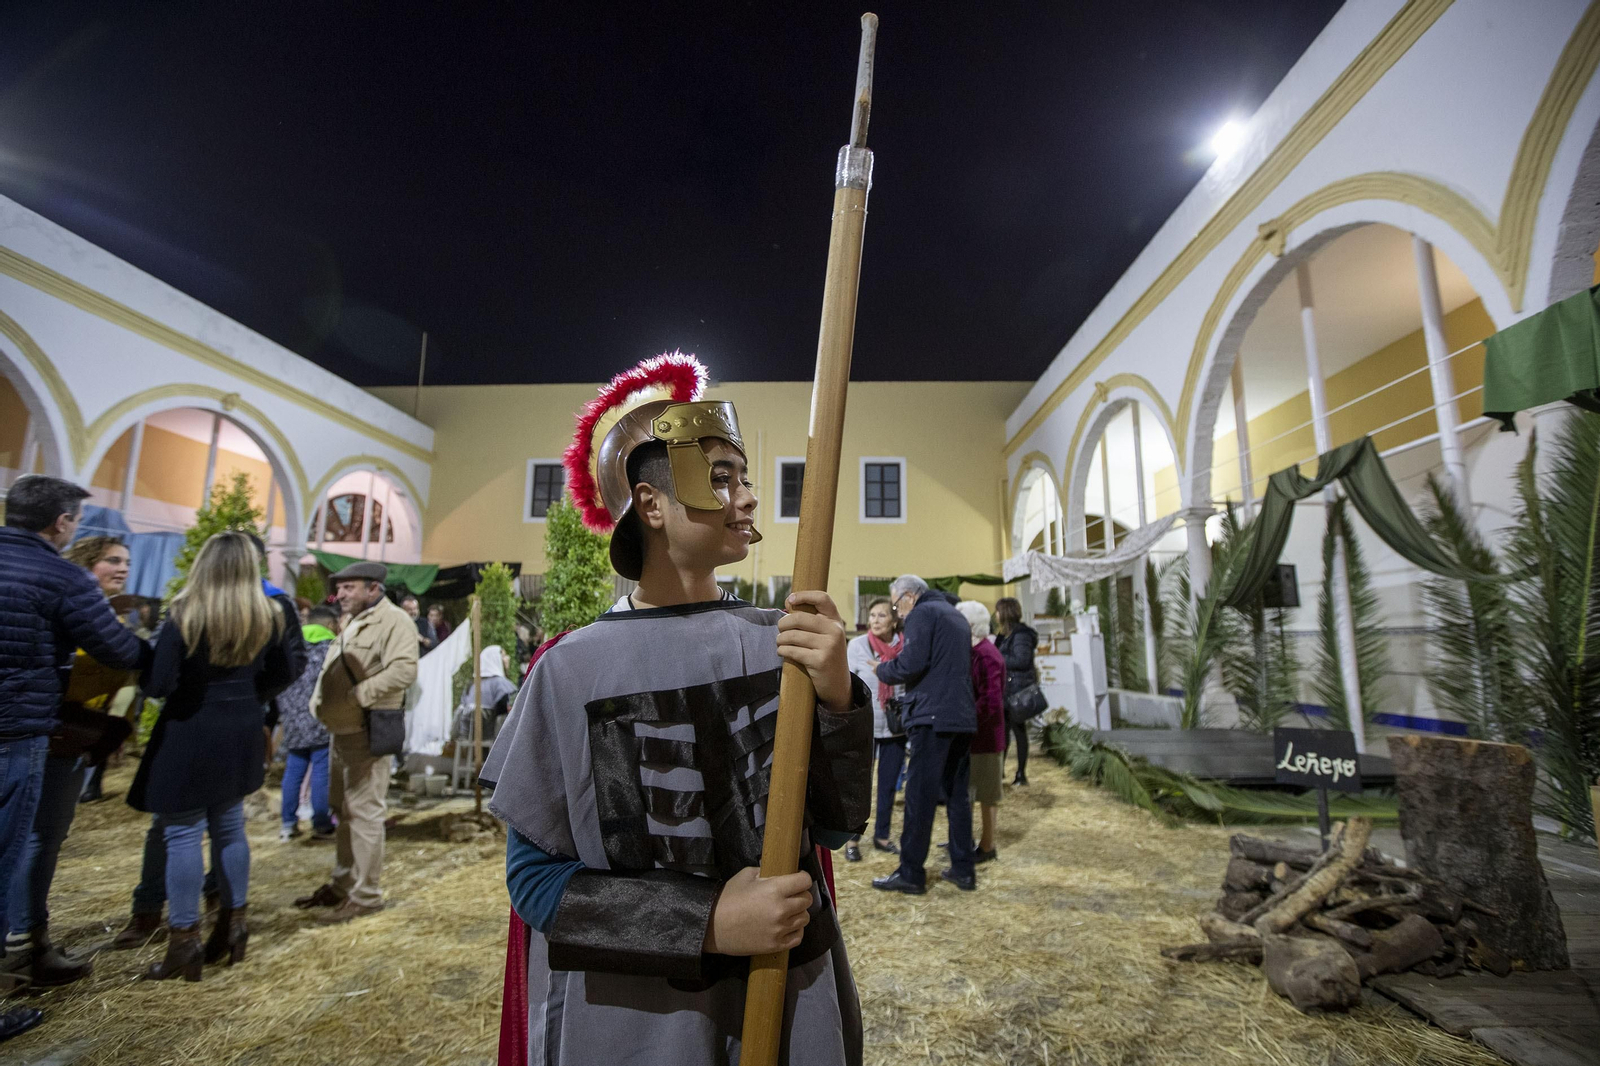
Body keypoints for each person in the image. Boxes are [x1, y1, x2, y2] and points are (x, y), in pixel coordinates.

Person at [482, 352, 872, 1066]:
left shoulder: (780, 643)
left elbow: (839, 821)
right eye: (719, 478)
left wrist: (839, 695)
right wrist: (712, 921)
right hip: (643, 1023)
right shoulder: (570, 669)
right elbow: (535, 882)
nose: (747, 497)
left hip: (787, 997)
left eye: (744, 478)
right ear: (651, 504)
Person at [0, 479, 146, 1041]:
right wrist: (161, 656)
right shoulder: (60, 575)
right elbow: (117, 649)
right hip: (17, 729)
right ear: (62, 523)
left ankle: (28, 942)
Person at [127, 531, 299, 982]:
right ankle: (234, 923)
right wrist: (247, 698)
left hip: (189, 728)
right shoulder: (270, 614)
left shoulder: (186, 613)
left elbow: (159, 685)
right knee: (229, 825)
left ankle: (184, 940)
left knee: (182, 833)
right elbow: (285, 672)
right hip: (242, 728)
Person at [295, 561, 419, 923]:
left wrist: (357, 696)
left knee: (364, 812)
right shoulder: (354, 620)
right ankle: (343, 883)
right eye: (341, 588)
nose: (341, 594)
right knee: (344, 809)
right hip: (344, 730)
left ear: (373, 589)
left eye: (350, 588)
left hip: (368, 728)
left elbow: (404, 670)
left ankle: (365, 895)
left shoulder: (394, 621)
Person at [872, 575, 978, 895]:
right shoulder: (955, 615)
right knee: (957, 796)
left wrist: (882, 670)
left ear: (908, 596)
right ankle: (963, 869)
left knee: (919, 797)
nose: (897, 613)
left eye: (895, 605)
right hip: (960, 716)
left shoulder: (922, 613)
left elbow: (912, 663)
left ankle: (911, 873)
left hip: (931, 716)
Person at [843, 597, 905, 862]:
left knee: (888, 785)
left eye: (881, 616)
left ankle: (882, 836)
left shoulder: (905, 648)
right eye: (872, 616)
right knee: (860, 785)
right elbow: (846, 684)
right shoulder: (856, 646)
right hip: (865, 728)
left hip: (895, 729)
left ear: (893, 620)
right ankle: (852, 840)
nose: (875, 621)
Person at [277, 605, 339, 842]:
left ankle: (288, 824)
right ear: (331, 625)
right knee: (322, 770)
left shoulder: (292, 647)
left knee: (294, 769)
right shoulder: (330, 649)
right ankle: (321, 823)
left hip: (293, 720)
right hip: (320, 718)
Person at [955, 601, 1005, 863]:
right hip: (975, 736)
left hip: (985, 738)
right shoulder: (975, 651)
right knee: (974, 792)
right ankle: (972, 840)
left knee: (986, 794)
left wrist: (968, 721)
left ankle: (988, 846)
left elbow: (991, 701)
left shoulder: (986, 654)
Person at [994, 597, 1038, 786]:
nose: (995, 615)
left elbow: (1022, 661)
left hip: (1017, 692)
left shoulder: (1021, 635)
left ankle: (1021, 774)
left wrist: (997, 656)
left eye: (997, 611)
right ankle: (999, 772)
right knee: (1002, 733)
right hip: (1005, 690)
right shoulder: (1005, 634)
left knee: (1019, 732)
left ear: (1004, 613)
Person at [453, 645, 517, 745]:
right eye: (504, 656)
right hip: (491, 735)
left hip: (466, 734)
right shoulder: (500, 683)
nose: (508, 658)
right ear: (495, 660)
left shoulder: (472, 684)